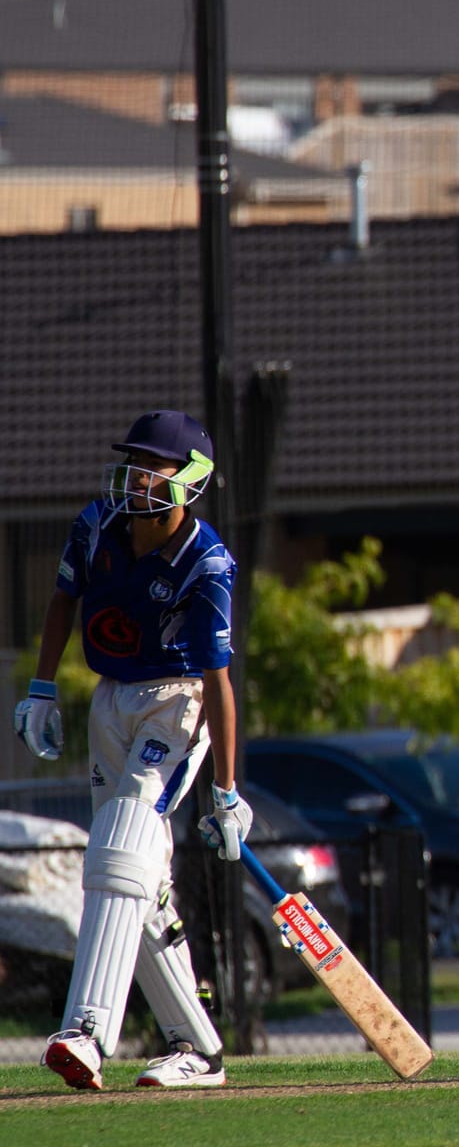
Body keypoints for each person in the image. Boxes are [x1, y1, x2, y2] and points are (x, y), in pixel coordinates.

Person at [11, 411, 252, 1090]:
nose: (139, 475)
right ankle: (197, 1049)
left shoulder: (206, 562)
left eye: (155, 466)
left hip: (176, 702)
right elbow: (63, 601)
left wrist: (226, 791)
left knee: (121, 842)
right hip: (110, 697)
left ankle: (86, 1031)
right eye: (135, 462)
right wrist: (42, 687)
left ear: (191, 480)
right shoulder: (97, 525)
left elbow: (218, 681)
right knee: (135, 873)